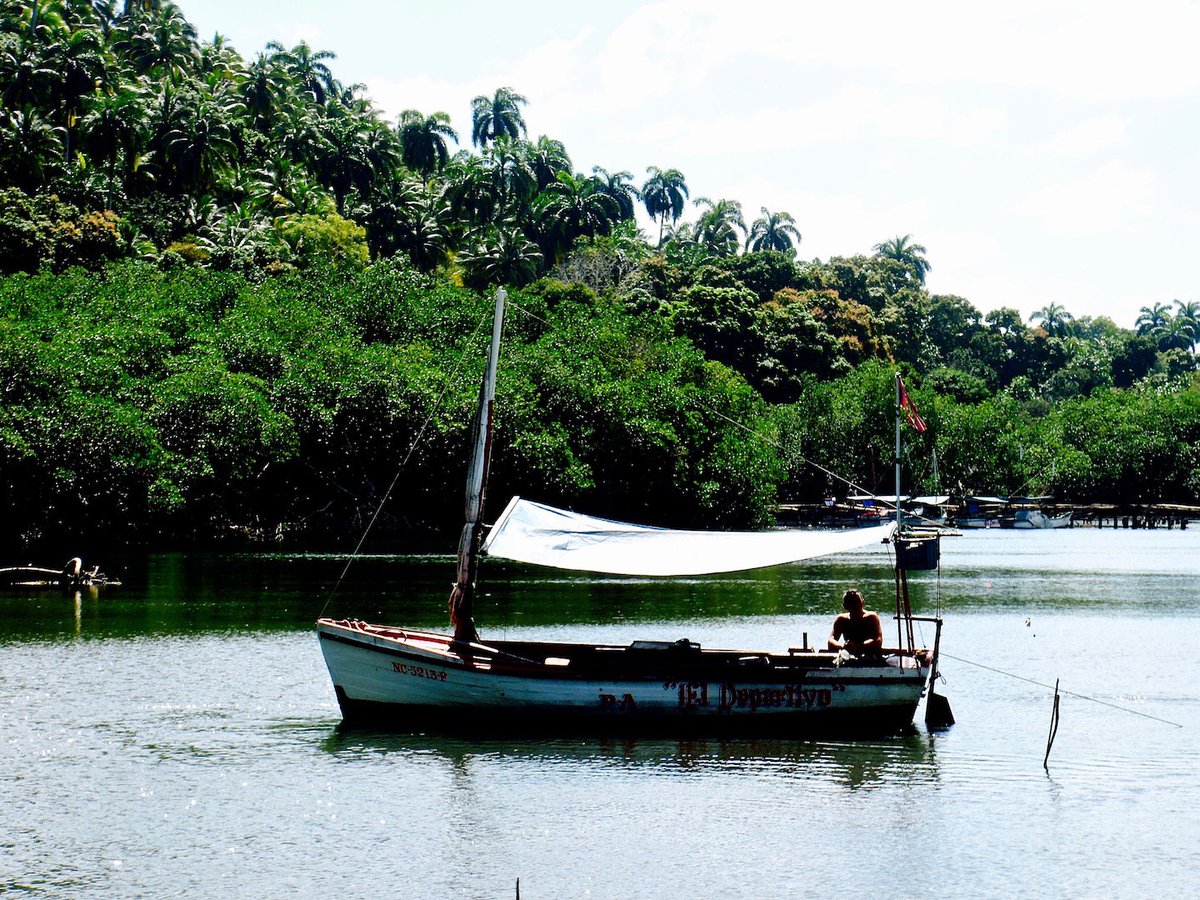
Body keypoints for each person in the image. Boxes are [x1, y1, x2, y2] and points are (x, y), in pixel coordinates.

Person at [827, 588, 883, 656]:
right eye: (852, 603)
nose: (856, 605)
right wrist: (843, 646)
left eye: (857, 602)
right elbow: (831, 641)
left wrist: (858, 646)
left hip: (869, 655)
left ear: (862, 602)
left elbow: (878, 640)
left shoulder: (871, 617)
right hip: (848, 654)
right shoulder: (841, 620)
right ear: (845, 606)